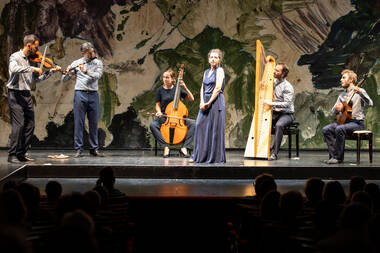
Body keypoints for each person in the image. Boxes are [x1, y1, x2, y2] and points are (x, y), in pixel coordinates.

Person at [7, 34, 61, 163]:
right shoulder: (15, 56)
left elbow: (36, 79)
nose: (37, 50)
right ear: (29, 45)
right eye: (35, 47)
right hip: (15, 94)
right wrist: (32, 68)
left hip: (26, 94)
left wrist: (51, 72)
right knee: (19, 125)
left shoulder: (29, 60)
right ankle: (12, 154)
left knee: (30, 125)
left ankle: (21, 153)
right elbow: (13, 69)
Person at [62, 42, 103, 158]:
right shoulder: (76, 63)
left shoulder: (98, 63)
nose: (92, 54)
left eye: (93, 52)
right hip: (80, 94)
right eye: (89, 53)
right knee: (79, 122)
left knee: (93, 123)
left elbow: (97, 76)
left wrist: (85, 71)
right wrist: (68, 71)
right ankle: (79, 149)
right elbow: (64, 79)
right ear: (83, 53)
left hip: (93, 95)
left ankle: (93, 149)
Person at [322, 69, 373, 164]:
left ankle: (337, 158)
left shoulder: (360, 91)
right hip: (344, 122)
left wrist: (361, 94)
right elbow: (333, 112)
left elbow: (370, 103)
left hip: (357, 123)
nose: (341, 80)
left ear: (351, 80)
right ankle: (334, 156)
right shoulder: (342, 96)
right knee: (326, 129)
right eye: (341, 78)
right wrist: (337, 109)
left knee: (339, 129)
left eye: (343, 78)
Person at [190, 49, 226, 163]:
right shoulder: (206, 72)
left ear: (219, 59)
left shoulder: (220, 71)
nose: (213, 59)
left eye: (216, 57)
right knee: (199, 125)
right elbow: (202, 87)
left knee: (214, 129)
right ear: (208, 59)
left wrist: (209, 102)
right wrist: (201, 101)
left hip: (215, 102)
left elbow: (217, 88)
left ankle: (213, 157)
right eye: (211, 57)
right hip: (205, 101)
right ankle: (198, 155)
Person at [150, 69, 195, 158]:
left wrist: (185, 87)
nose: (165, 79)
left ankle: (185, 147)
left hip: (178, 117)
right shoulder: (159, 90)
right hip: (164, 116)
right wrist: (159, 112)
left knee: (193, 124)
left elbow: (191, 99)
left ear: (173, 79)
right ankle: (165, 147)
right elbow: (157, 104)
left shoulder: (178, 89)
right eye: (163, 77)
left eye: (167, 77)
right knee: (153, 125)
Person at [263, 63, 294, 161]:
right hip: (275, 113)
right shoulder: (273, 82)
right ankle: (261, 149)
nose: (274, 72)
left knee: (279, 125)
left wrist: (271, 104)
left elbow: (287, 104)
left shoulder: (287, 86)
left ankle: (274, 153)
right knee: (262, 123)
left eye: (277, 70)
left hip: (286, 114)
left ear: (283, 74)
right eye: (274, 69)